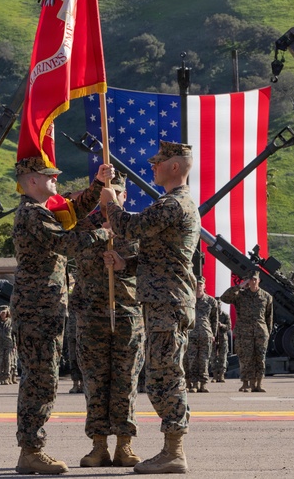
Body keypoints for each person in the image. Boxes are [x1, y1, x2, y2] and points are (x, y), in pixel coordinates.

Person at [102, 141, 200, 474]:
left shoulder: (174, 204)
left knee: (166, 377)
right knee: (161, 376)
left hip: (167, 303)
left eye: (157, 162)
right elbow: (158, 256)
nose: (152, 166)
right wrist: (125, 264)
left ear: (175, 165)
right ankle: (171, 449)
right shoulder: (174, 204)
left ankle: (174, 452)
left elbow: (130, 227)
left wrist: (111, 204)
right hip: (163, 300)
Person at [11, 156, 113, 475]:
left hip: (44, 308)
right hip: (37, 309)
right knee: (39, 380)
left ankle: (31, 448)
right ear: (32, 181)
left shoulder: (43, 211)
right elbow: (65, 243)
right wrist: (103, 233)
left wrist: (98, 185)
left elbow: (71, 213)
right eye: (49, 176)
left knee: (44, 377)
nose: (55, 179)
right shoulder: (31, 214)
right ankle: (31, 451)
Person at [71, 171, 145, 468]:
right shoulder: (83, 226)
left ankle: (124, 445)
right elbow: (69, 248)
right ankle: (98, 445)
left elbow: (149, 267)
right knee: (95, 383)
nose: (109, 199)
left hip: (127, 315)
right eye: (105, 194)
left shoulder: (136, 227)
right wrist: (100, 234)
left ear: (123, 197)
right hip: (91, 315)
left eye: (115, 194)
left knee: (126, 382)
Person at [220, 270, 274, 392]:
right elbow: (224, 298)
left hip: (260, 332)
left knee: (260, 358)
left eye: (255, 279)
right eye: (251, 280)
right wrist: (239, 286)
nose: (253, 282)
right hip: (244, 333)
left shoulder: (266, 297)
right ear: (248, 281)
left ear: (259, 281)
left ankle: (258, 384)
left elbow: (269, 317)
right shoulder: (240, 295)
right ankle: (245, 384)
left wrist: (267, 333)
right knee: (245, 358)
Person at [186, 276, 219, 394]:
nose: (199, 286)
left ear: (204, 286)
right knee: (192, 359)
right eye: (197, 284)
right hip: (191, 334)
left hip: (205, 333)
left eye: (201, 284)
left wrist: (214, 334)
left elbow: (215, 319)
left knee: (204, 360)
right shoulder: (189, 300)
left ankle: (203, 384)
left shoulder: (211, 301)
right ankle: (194, 384)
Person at [209, 307, 231, 383]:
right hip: (213, 339)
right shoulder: (211, 315)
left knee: (223, 357)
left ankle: (221, 375)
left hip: (223, 339)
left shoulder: (225, 315)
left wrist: (222, 325)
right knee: (213, 357)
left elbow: (229, 327)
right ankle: (215, 375)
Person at [66, 306, 83, 393]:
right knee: (73, 357)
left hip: (82, 327)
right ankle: (75, 384)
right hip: (72, 329)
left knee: (83, 357)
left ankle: (83, 384)